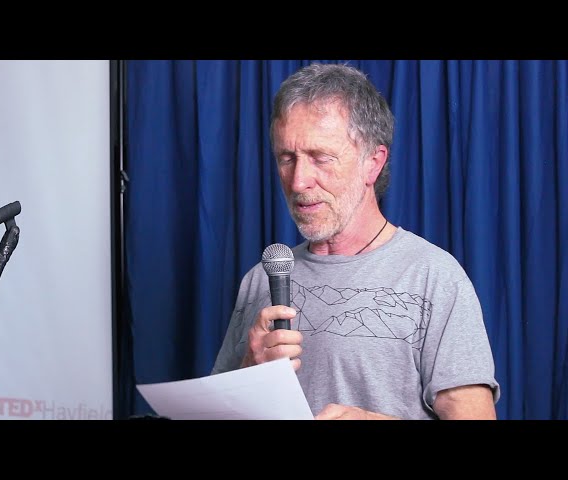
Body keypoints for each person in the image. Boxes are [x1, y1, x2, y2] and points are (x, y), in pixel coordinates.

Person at [211, 63, 500, 420]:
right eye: (287, 158)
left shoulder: (433, 277)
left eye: (321, 158)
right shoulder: (260, 279)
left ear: (373, 163)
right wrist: (248, 370)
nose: (298, 181)